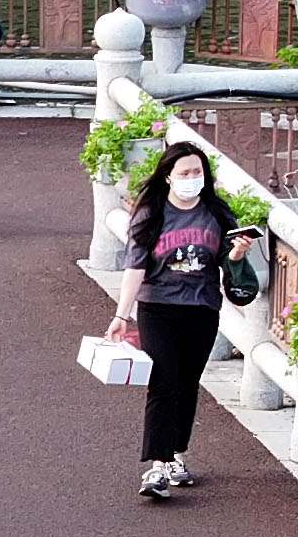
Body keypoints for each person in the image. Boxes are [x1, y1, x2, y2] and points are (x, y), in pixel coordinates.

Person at [107, 143, 260, 502]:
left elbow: (226, 260)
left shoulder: (217, 214)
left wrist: (236, 252)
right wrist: (121, 314)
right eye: (185, 173)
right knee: (163, 381)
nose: (192, 179)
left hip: (202, 309)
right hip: (158, 308)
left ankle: (176, 454)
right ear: (168, 176)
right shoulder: (152, 213)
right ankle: (157, 465)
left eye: (198, 173)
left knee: (188, 382)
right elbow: (135, 267)